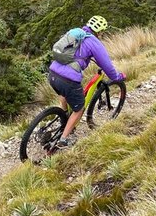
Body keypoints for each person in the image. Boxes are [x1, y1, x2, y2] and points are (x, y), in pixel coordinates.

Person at [48, 15, 125, 148]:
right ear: (100, 31)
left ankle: (64, 116)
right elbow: (107, 66)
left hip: (52, 73)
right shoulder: (94, 42)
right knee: (79, 108)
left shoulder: (75, 33)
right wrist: (117, 77)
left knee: (64, 94)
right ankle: (64, 139)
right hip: (68, 79)